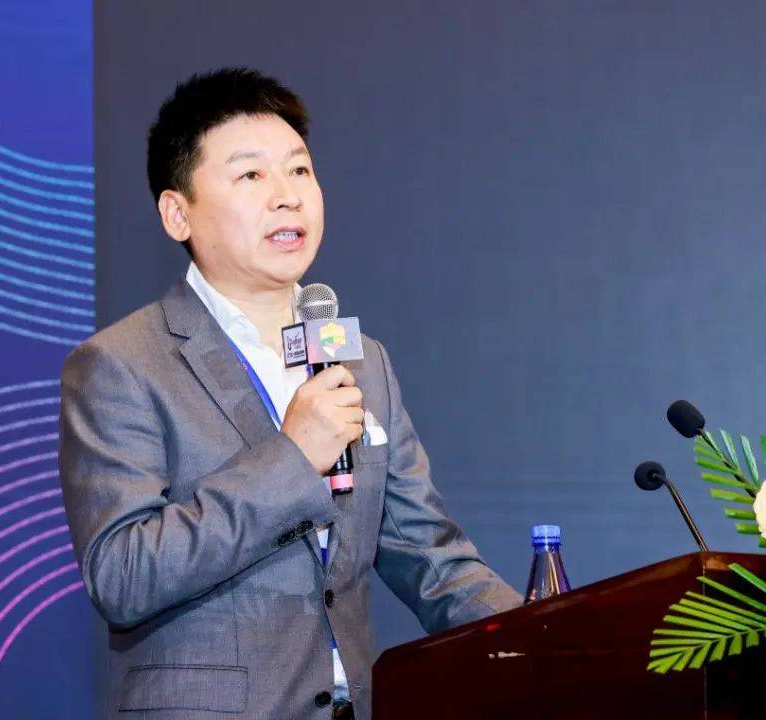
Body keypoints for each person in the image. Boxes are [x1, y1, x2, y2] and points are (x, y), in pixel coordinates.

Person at [58, 67, 522, 720]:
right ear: (177, 212)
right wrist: (293, 457)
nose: (288, 197)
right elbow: (123, 576)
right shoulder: (121, 364)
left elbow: (430, 557)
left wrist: (546, 636)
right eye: (251, 175)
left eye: (300, 170)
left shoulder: (360, 360)